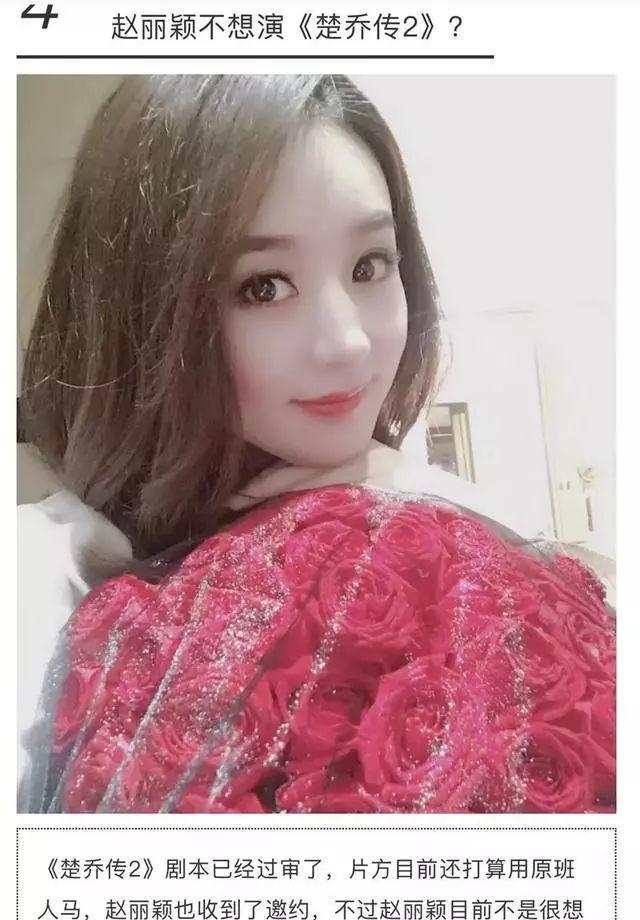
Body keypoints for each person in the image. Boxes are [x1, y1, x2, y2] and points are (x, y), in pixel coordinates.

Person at [18, 74, 615, 814]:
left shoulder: (424, 522)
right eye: (264, 286)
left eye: (370, 266)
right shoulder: (41, 578)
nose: (347, 342)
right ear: (143, 311)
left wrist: (417, 497)